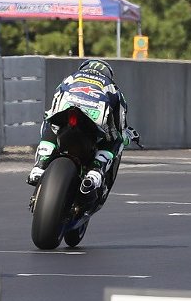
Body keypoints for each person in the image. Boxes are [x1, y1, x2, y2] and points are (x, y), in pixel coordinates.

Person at [26, 59, 138, 198]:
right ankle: (96, 171)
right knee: (117, 139)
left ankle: (39, 166)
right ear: (108, 74)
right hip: (94, 123)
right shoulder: (114, 88)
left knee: (50, 121)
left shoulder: (69, 79)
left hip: (68, 113)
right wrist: (126, 137)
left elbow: (55, 104)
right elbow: (120, 123)